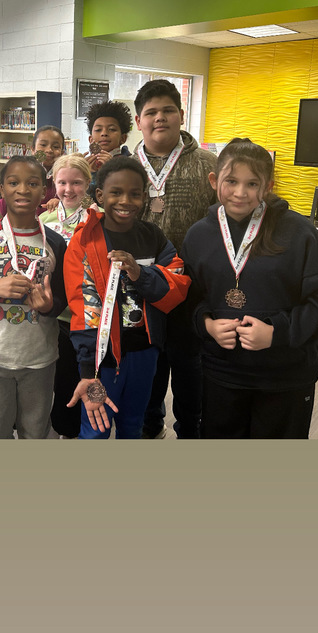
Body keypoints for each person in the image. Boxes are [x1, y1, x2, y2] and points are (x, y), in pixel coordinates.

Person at [181, 138, 318, 439]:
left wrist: (278, 332)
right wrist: (206, 323)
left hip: (286, 375)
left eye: (252, 184)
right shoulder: (197, 236)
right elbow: (188, 298)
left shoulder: (300, 233)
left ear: (268, 186)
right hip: (222, 373)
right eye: (231, 181)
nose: (240, 192)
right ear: (214, 180)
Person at [64, 156, 190, 439]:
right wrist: (88, 370)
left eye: (135, 194)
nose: (126, 201)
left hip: (145, 353)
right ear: (99, 195)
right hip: (101, 362)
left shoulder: (153, 236)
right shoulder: (85, 242)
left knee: (133, 425)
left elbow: (177, 286)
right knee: (95, 429)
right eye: (116, 192)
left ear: (145, 197)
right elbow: (82, 307)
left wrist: (140, 273)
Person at [0, 156, 67, 439]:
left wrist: (48, 307)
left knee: (36, 432)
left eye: (33, 183)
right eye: (14, 182)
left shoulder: (55, 242)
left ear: (45, 191)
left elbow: (62, 301)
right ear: (2, 189)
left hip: (39, 360)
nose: (23, 190)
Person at [133, 79, 217, 439]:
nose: (160, 118)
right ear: (139, 121)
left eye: (168, 110)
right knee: (149, 361)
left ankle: (190, 428)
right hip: (140, 286)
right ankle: (150, 425)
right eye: (151, 112)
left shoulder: (208, 165)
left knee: (188, 364)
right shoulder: (125, 166)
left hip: (193, 288)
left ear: (181, 115)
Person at [40, 153, 92, 438]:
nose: (68, 189)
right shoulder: (44, 219)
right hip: (52, 311)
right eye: (62, 182)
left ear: (88, 183)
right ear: (53, 183)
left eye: (76, 183)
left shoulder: (96, 219)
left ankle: (69, 428)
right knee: (50, 372)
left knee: (73, 373)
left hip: (82, 312)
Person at [0, 124, 65, 217]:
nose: (49, 150)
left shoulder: (66, 179)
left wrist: (62, 205)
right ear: (33, 149)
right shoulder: (20, 171)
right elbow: (4, 208)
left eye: (56, 147)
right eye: (43, 145)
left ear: (62, 152)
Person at [83, 100, 132, 200]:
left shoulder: (132, 164)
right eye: (98, 130)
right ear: (91, 139)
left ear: (123, 138)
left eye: (112, 129)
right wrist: (88, 175)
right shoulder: (83, 165)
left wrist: (113, 172)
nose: (104, 133)